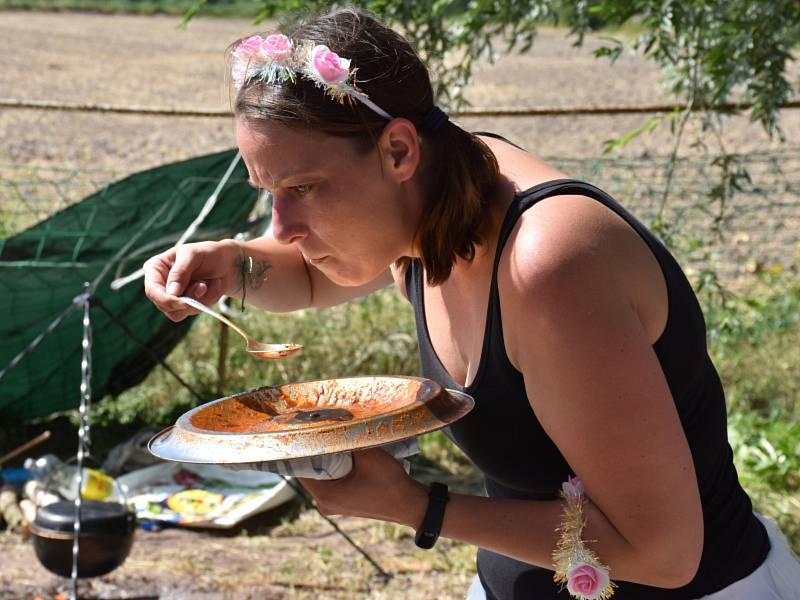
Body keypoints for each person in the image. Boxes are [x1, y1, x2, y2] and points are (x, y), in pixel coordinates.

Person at [143, 8, 800, 599]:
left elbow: (663, 552)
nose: (281, 225)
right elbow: (315, 279)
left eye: (303, 187)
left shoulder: (549, 267)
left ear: (398, 149)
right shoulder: (426, 196)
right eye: (267, 192)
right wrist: (234, 265)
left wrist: (419, 508)